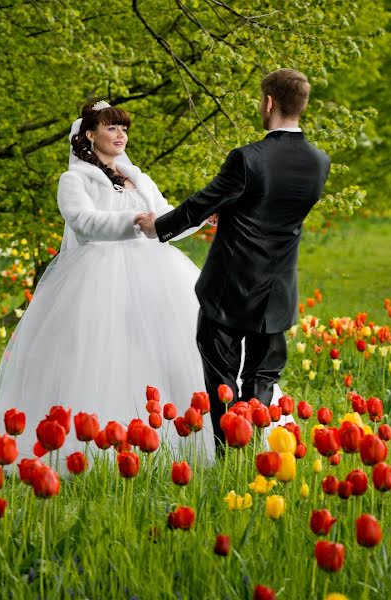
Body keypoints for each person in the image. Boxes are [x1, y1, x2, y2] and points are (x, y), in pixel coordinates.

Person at [0, 101, 215, 463]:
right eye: (111, 128)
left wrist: (199, 218)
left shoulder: (139, 176)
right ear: (90, 135)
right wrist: (132, 222)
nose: (120, 135)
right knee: (101, 353)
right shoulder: (74, 180)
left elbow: (165, 216)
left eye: (123, 129)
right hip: (98, 273)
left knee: (164, 348)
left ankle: (170, 439)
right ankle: (93, 441)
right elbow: (81, 220)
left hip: (156, 272)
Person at [136, 68, 331, 452]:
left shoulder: (247, 159)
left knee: (221, 380)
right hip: (278, 290)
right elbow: (274, 209)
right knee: (261, 379)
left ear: (269, 102)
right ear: (302, 106)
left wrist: (158, 226)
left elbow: (200, 204)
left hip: (229, 288)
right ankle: (250, 457)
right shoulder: (319, 161)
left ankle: (230, 457)